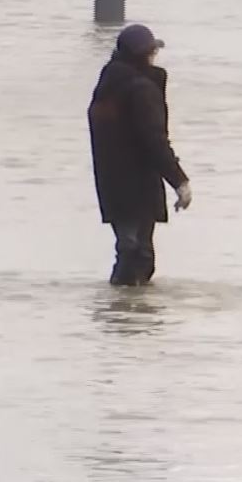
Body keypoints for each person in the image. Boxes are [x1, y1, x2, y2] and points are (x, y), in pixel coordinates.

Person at [88, 24, 192, 286]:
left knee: (128, 248)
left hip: (111, 184)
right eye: (152, 51)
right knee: (138, 255)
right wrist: (180, 182)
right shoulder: (142, 90)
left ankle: (119, 314)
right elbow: (154, 140)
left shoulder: (106, 87)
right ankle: (131, 318)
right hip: (138, 186)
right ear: (144, 54)